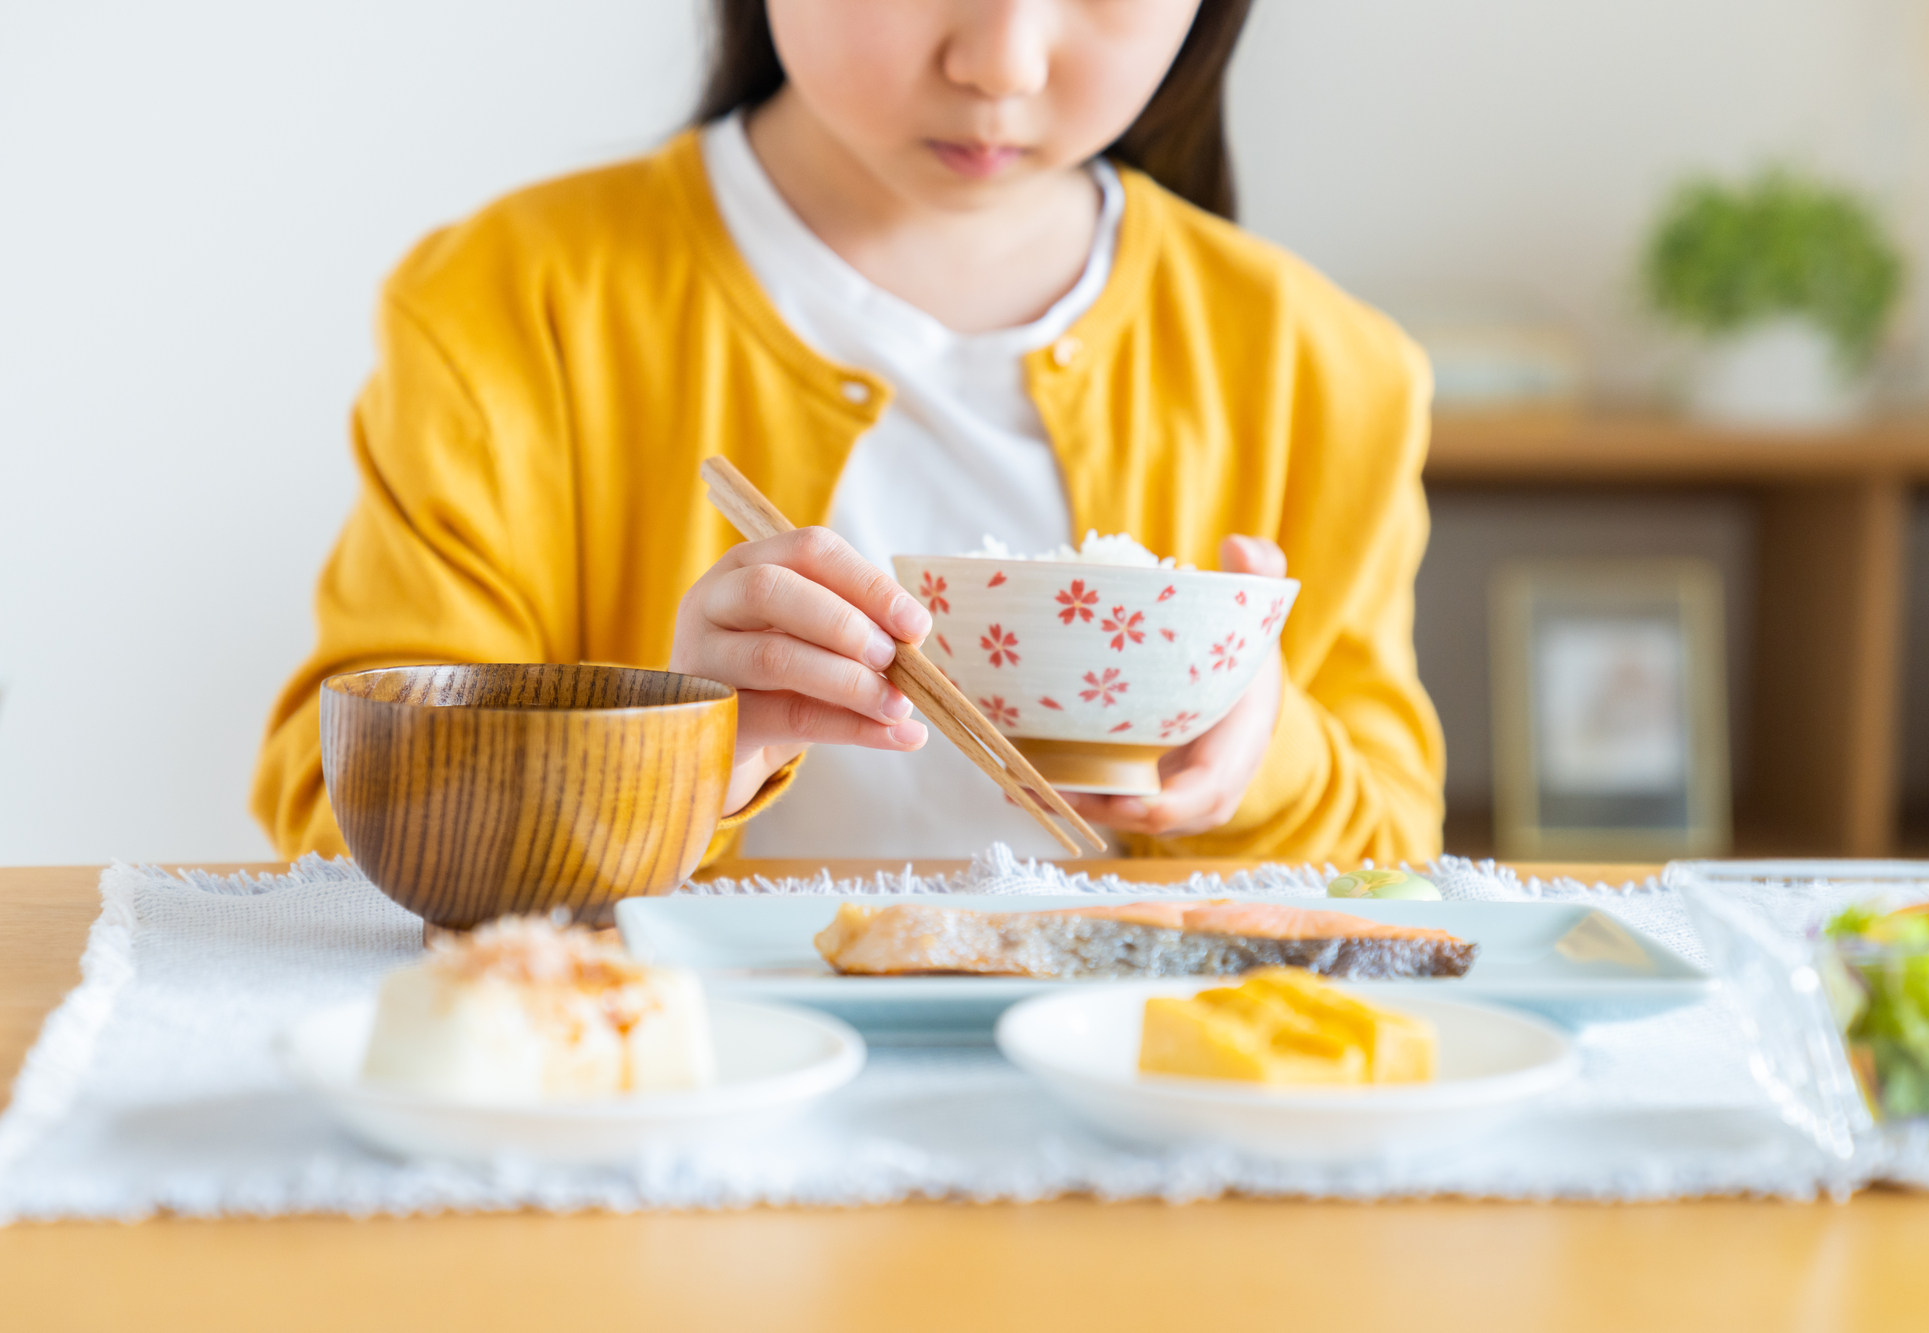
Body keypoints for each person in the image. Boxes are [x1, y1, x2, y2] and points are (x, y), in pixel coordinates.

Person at [252, 0, 1445, 868]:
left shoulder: (1323, 370)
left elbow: (1401, 857)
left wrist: (1258, 745)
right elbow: (336, 816)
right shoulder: (514, 308)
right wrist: (682, 759)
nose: (1001, 60)